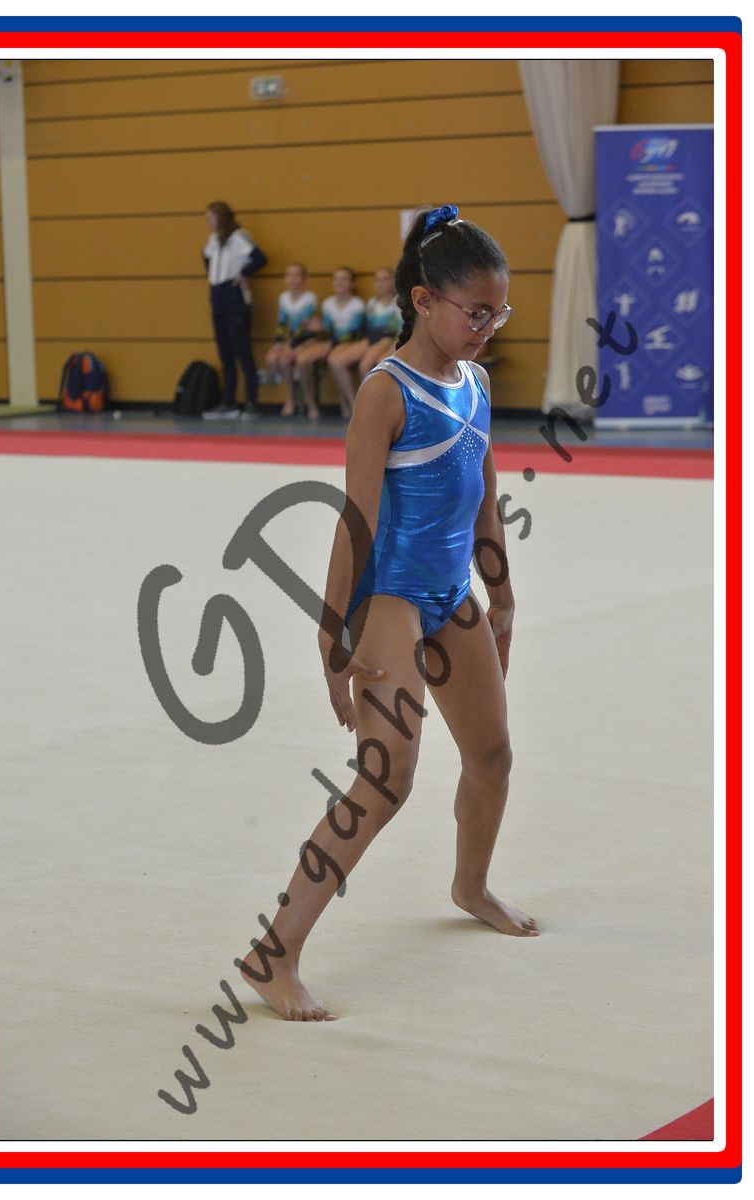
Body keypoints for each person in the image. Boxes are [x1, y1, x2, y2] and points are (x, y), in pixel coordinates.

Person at [236, 205, 532, 1023]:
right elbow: (355, 522)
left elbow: (483, 498)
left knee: (493, 755)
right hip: (388, 598)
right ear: (423, 301)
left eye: (498, 313)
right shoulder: (384, 393)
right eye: (476, 313)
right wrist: (332, 635)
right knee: (385, 778)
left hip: (450, 593)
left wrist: (502, 594)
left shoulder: (473, 382)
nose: (488, 328)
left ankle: (470, 886)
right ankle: (273, 954)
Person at [201, 201, 267, 419]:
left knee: (243, 352)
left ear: (220, 217)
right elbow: (206, 258)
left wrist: (243, 273)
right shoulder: (213, 240)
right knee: (226, 354)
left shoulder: (238, 237)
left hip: (234, 297)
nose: (208, 223)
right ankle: (228, 401)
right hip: (217, 296)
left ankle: (251, 401)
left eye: (210, 218)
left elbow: (260, 258)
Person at [294, 266, 366, 420]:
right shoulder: (328, 304)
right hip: (331, 342)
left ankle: (353, 404)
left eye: (344, 279)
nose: (339, 283)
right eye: (336, 279)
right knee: (302, 360)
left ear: (352, 283)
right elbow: (327, 330)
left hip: (350, 343)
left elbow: (353, 333)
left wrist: (330, 341)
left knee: (335, 359)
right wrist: (318, 329)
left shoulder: (357, 305)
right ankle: (310, 403)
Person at [265, 263, 319, 418]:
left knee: (288, 361)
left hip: (308, 340)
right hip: (292, 340)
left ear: (304, 279)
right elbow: (282, 324)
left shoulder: (310, 298)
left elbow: (305, 327)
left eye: (296, 275)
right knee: (272, 359)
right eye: (289, 275)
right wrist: (278, 343)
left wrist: (291, 346)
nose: (292, 279)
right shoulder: (283, 298)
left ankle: (310, 402)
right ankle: (290, 398)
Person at [357, 266, 403, 378]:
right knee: (340, 360)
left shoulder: (399, 303)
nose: (380, 284)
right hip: (375, 339)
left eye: (385, 280)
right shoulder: (372, 303)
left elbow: (401, 331)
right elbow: (369, 327)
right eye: (377, 280)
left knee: (369, 365)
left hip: (392, 339)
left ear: (393, 281)